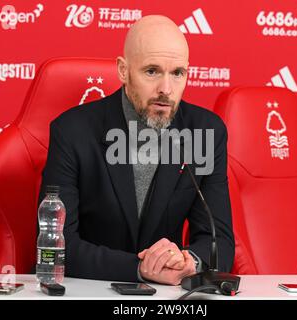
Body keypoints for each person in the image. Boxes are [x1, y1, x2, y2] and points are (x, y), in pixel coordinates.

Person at [39, 15, 234, 285]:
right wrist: (140, 268)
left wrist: (191, 262)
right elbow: (57, 246)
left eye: (177, 73)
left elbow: (220, 242)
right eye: (152, 71)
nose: (166, 89)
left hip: (168, 295)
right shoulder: (72, 131)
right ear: (123, 70)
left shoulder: (206, 132)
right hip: (90, 289)